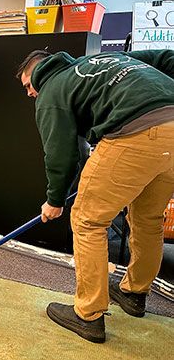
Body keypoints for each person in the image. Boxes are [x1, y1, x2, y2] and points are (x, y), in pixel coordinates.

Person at [16, 48, 174, 343]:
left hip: (134, 130)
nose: (29, 93)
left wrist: (55, 200)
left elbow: (60, 153)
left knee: (88, 221)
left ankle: (87, 315)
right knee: (148, 218)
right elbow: (167, 58)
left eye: (28, 85)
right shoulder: (108, 59)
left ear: (40, 71)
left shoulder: (51, 88)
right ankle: (134, 295)